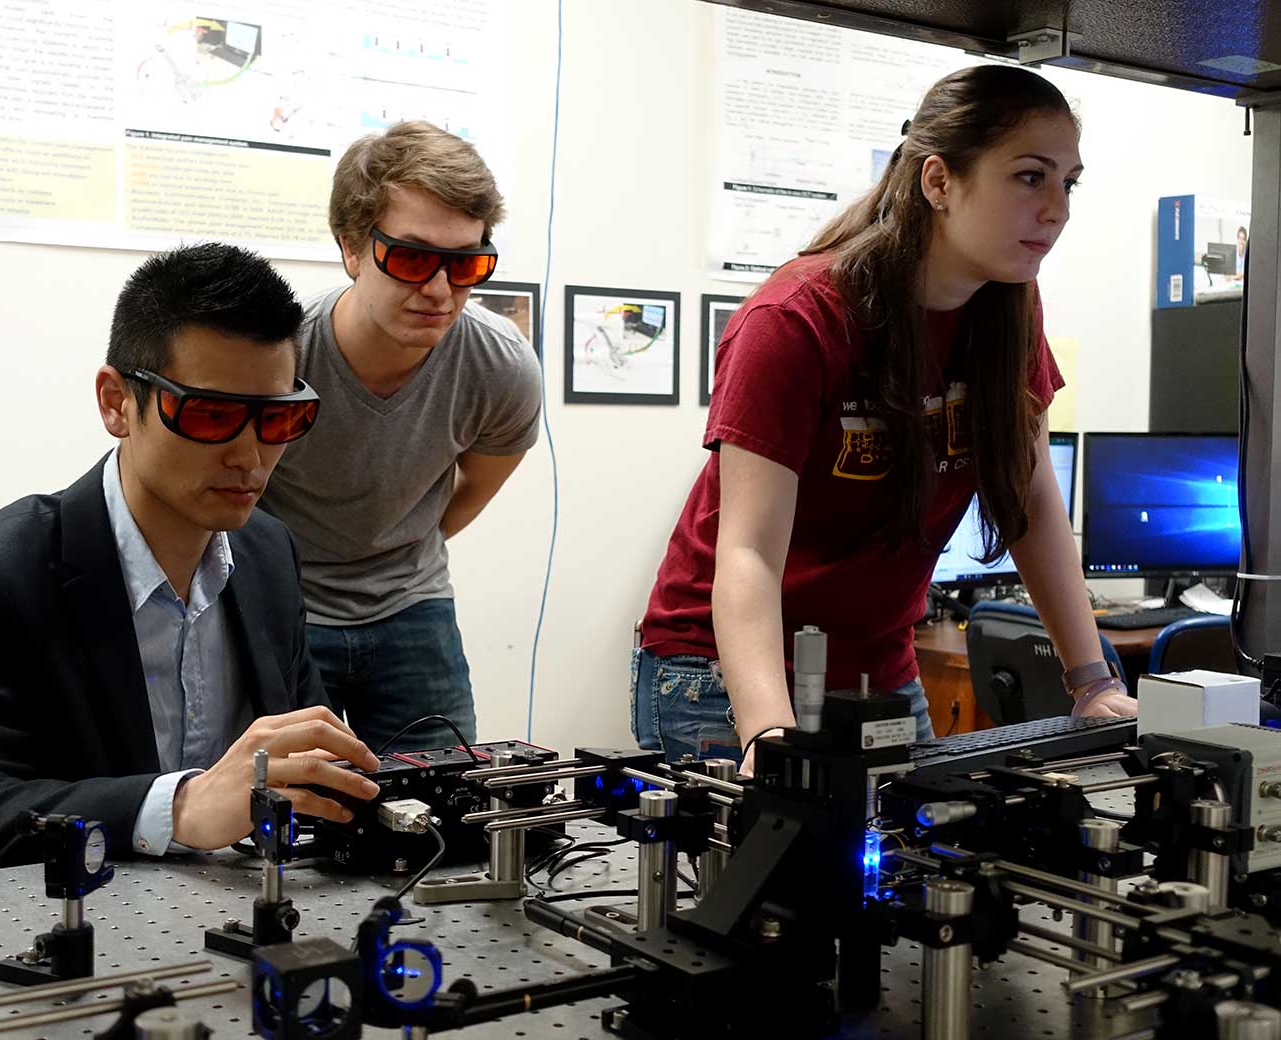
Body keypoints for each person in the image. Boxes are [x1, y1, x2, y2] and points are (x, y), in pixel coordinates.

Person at [634, 65, 1136, 775]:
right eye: (1030, 177)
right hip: (724, 674)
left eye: (1068, 182)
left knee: (906, 877)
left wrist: (1093, 681)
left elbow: (1030, 497)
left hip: (880, 668)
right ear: (939, 182)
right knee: (779, 877)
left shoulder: (1010, 311)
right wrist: (767, 738)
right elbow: (745, 554)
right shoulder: (795, 319)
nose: (1057, 209)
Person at [0, 243, 382, 879]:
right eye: (211, 415)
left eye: (278, 418)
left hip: (240, 927)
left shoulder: (267, 553)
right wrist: (177, 807)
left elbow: (298, 769)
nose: (249, 456)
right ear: (117, 403)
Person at [259, 121, 542, 751]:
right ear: (352, 247)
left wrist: (398, 549)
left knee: (446, 806)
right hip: (285, 607)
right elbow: (230, 503)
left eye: (466, 263)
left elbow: (469, 492)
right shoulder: (284, 357)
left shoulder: (500, 367)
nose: (440, 291)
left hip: (415, 608)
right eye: (412, 258)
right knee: (288, 810)